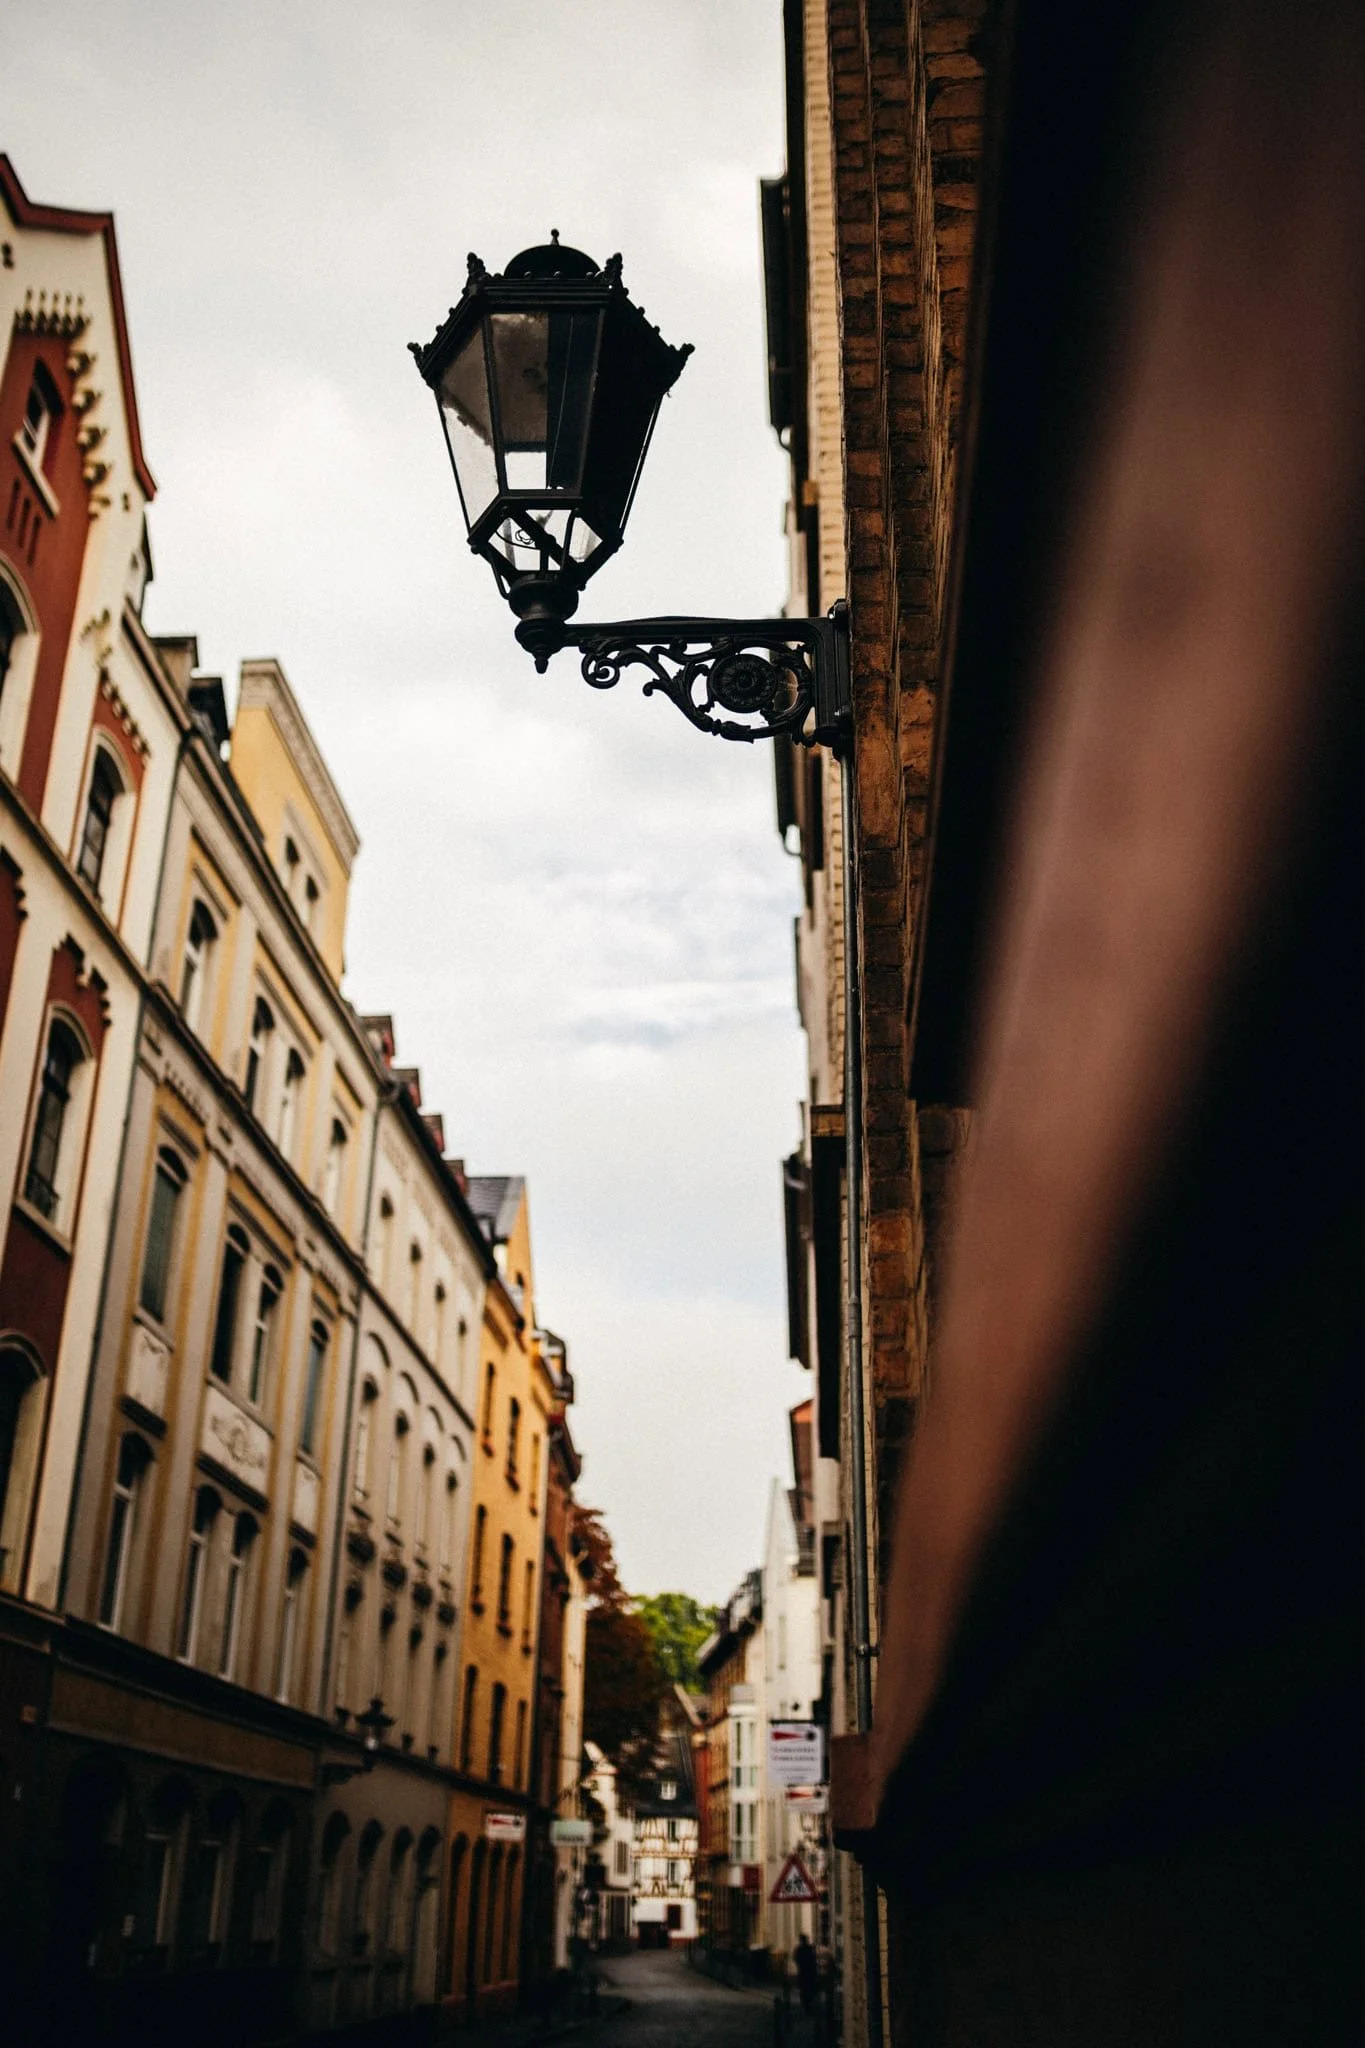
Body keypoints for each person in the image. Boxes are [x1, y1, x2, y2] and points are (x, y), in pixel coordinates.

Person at [794, 1932, 819, 2015]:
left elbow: (796, 1959)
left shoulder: (800, 1949)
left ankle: (807, 2006)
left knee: (805, 1990)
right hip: (808, 1972)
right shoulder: (809, 1948)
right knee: (808, 1990)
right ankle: (808, 2006)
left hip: (804, 1972)